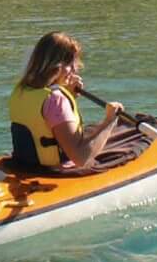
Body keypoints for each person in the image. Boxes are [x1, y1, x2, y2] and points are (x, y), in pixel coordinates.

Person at [8, 31, 125, 171]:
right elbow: (81, 158)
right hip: (56, 171)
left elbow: (46, 117)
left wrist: (68, 92)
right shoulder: (56, 100)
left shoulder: (22, 89)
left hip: (25, 165)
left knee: (103, 132)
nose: (75, 69)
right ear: (57, 66)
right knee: (128, 138)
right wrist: (109, 121)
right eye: (71, 63)